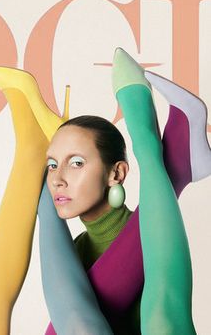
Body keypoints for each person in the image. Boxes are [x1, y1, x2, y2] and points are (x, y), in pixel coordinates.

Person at [38, 48, 211, 334]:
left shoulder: (73, 256)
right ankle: (168, 159)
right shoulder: (78, 250)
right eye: (52, 165)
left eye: (76, 163)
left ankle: (175, 163)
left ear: (116, 173)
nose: (57, 179)